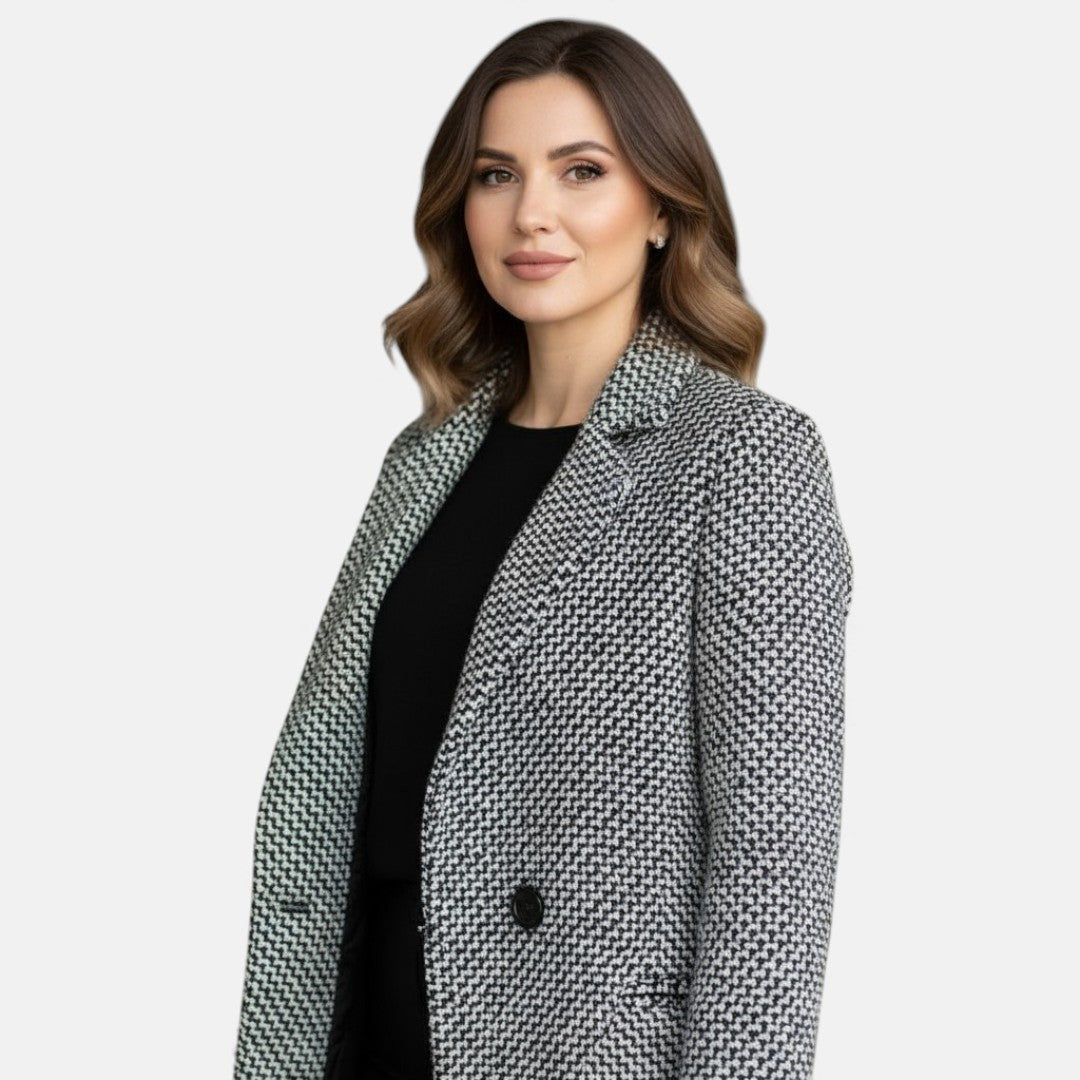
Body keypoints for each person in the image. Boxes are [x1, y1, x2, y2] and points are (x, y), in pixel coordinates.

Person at [233, 18, 853, 1080]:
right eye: (496, 175)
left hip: (572, 1041)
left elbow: (774, 863)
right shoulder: (424, 459)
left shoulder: (741, 455)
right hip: (365, 1027)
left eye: (582, 171)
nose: (532, 213)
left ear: (663, 208)